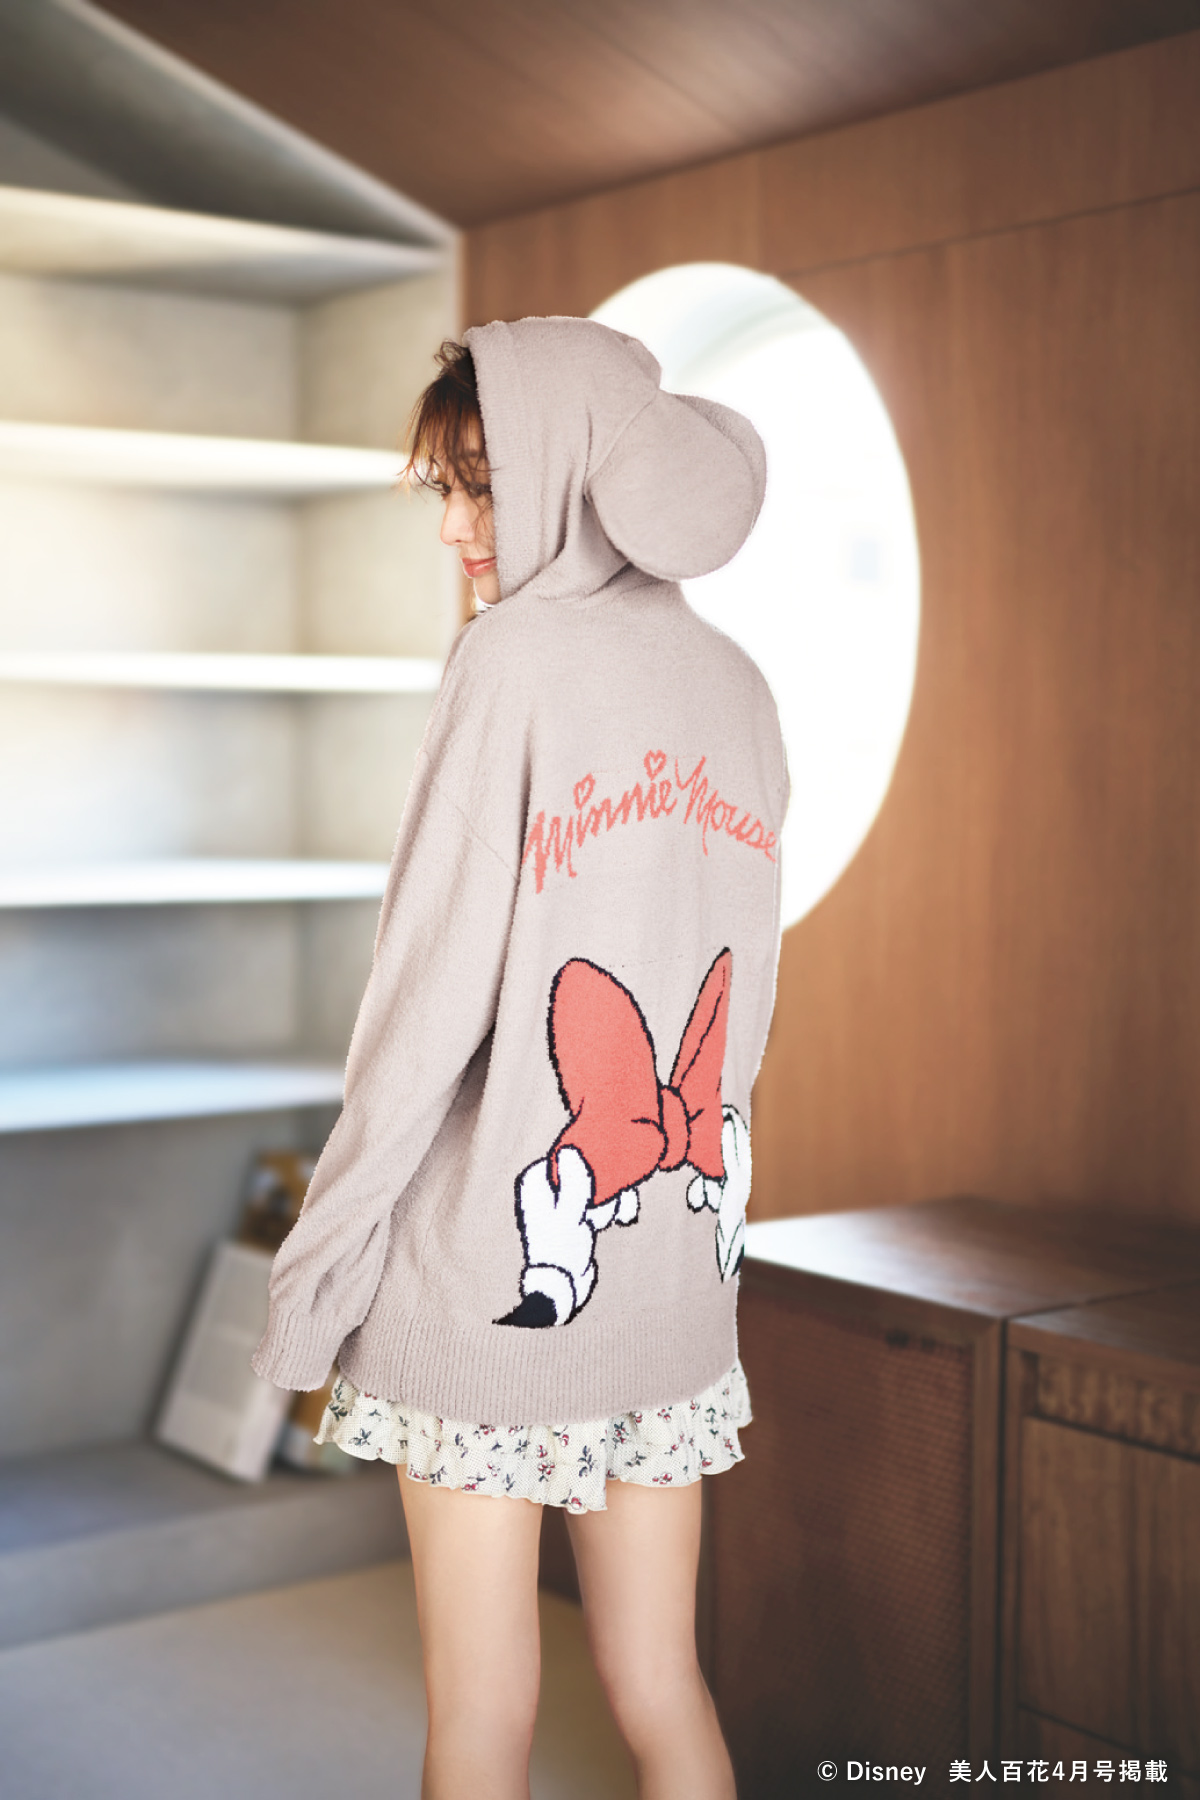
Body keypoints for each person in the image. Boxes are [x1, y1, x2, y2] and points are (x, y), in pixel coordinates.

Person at [253, 316, 787, 1800]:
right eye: (445, 488)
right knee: (663, 1685)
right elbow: (740, 1005)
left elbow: (421, 1011)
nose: (454, 528)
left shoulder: (513, 662)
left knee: (480, 1719)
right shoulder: (739, 682)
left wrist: (314, 1279)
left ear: (575, 469)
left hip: (491, 1283)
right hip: (672, 1280)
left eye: (483, 484)